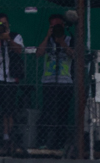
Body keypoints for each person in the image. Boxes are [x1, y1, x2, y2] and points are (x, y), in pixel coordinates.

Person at [35, 10, 78, 154]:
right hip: (49, 81)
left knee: (62, 114)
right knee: (48, 113)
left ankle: (60, 143)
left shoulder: (70, 39)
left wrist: (61, 42)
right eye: (53, 27)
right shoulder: (48, 41)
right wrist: (48, 36)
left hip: (65, 82)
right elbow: (39, 53)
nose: (56, 29)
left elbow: (75, 55)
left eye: (58, 26)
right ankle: (45, 142)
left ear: (64, 26)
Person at [0, 13, 24, 149]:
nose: (2, 26)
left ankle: (7, 136)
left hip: (9, 78)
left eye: (4, 23)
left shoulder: (15, 36)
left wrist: (8, 39)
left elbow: (19, 50)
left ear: (8, 24)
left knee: (8, 111)